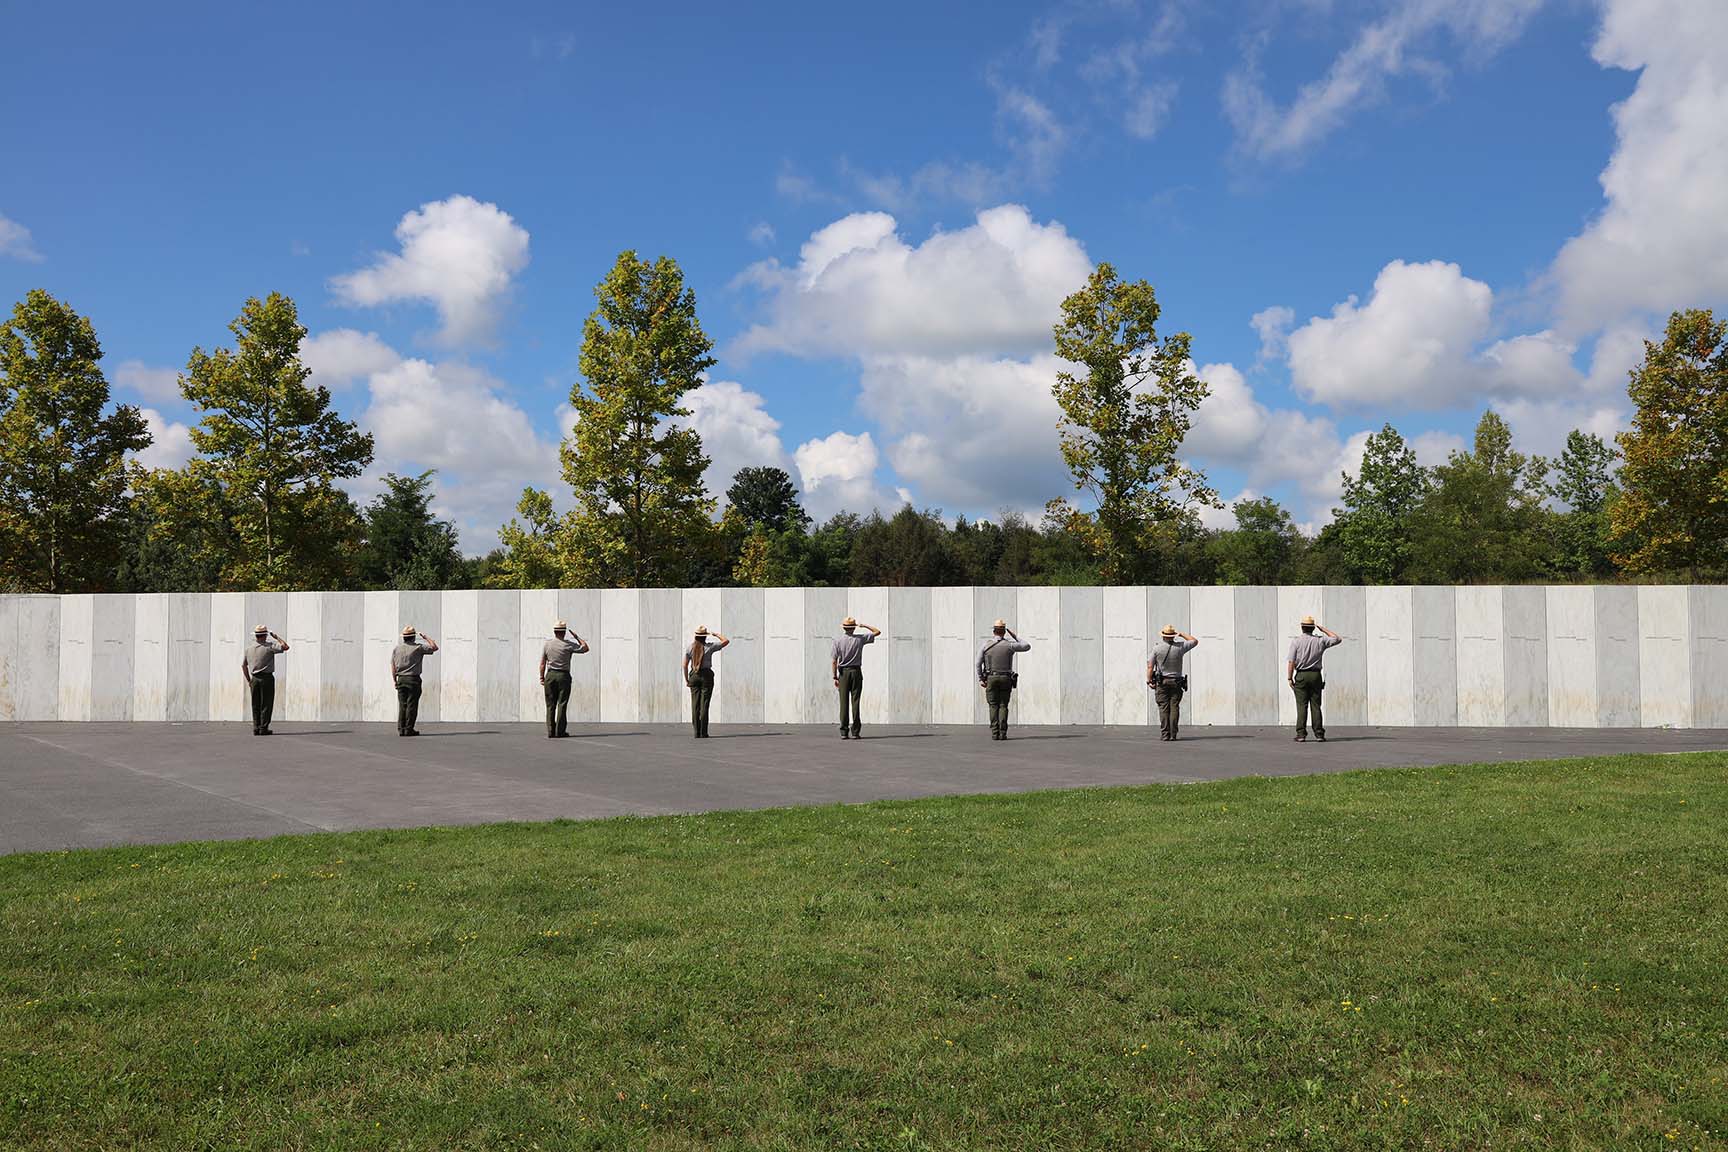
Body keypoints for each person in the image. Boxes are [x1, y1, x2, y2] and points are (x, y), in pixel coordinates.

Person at [1287, 614, 1342, 742]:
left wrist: (1290, 678)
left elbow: (1291, 662)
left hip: (1301, 675)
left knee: (1302, 705)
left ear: (1302, 627)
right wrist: (1323, 629)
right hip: (1316, 675)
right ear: (1313, 628)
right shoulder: (1320, 640)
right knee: (1316, 705)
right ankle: (1319, 734)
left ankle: (1301, 734)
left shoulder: (1296, 642)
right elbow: (1337, 639)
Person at [977, 618, 1031, 740]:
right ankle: (1003, 733)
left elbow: (977, 663)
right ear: (1004, 632)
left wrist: (981, 678)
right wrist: (1015, 636)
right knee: (1003, 705)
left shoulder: (986, 645)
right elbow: (1027, 646)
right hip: (1006, 678)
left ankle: (995, 733)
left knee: (993, 705)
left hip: (991, 677)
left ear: (994, 631)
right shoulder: (1010, 645)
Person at [831, 615, 882, 740]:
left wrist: (835, 677)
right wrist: (864, 625)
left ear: (843, 628)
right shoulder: (860, 639)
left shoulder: (837, 641)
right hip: (856, 671)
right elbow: (877, 632)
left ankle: (844, 731)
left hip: (843, 673)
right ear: (853, 628)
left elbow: (834, 661)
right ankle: (855, 731)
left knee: (843, 703)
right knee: (855, 701)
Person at [1146, 624, 1199, 741]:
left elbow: (1150, 667)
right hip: (1177, 682)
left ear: (1163, 636)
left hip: (1162, 682)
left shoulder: (1156, 649)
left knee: (1163, 708)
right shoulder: (1180, 647)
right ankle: (1173, 734)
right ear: (1173, 636)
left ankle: (1165, 734)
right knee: (1174, 707)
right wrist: (1182, 634)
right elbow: (1194, 641)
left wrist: (1149, 681)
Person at [538, 620, 589, 738]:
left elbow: (542, 663)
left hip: (550, 676)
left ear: (554, 631)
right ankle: (560, 731)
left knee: (550, 705)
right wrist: (577, 637)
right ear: (564, 632)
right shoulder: (568, 645)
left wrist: (541, 677)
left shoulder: (547, 644)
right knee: (562, 704)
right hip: (563, 676)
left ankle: (551, 731)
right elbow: (585, 648)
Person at [241, 624, 289, 735]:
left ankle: (256, 727)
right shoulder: (269, 646)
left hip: (254, 678)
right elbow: (286, 647)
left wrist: (249, 681)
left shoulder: (248, 649)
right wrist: (276, 637)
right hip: (266, 678)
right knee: (266, 704)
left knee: (255, 704)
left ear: (256, 636)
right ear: (264, 635)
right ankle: (263, 727)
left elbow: (244, 666)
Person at [391, 625, 439, 737]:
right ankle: (409, 729)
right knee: (412, 705)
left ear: (403, 637)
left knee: (402, 705)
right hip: (413, 679)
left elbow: (393, 666)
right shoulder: (418, 648)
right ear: (413, 637)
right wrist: (425, 637)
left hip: (401, 678)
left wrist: (395, 680)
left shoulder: (396, 649)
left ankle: (401, 729)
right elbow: (434, 647)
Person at [683, 625, 729, 738]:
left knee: (695, 705)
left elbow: (684, 665)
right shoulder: (710, 647)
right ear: (705, 637)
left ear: (696, 636)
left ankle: (696, 732)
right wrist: (716, 634)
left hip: (694, 675)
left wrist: (687, 680)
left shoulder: (690, 648)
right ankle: (703, 732)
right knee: (704, 704)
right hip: (706, 676)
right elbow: (726, 641)